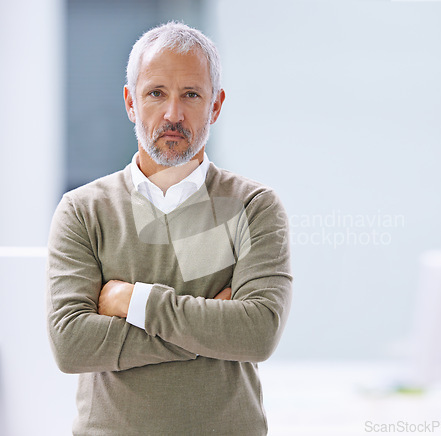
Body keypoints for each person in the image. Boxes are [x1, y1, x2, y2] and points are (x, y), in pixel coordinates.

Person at [46, 21, 292, 435]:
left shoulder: (254, 206)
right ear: (130, 102)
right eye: (156, 93)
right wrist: (210, 332)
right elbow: (71, 345)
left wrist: (132, 301)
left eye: (191, 95)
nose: (172, 114)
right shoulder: (82, 211)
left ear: (215, 106)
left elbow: (257, 334)